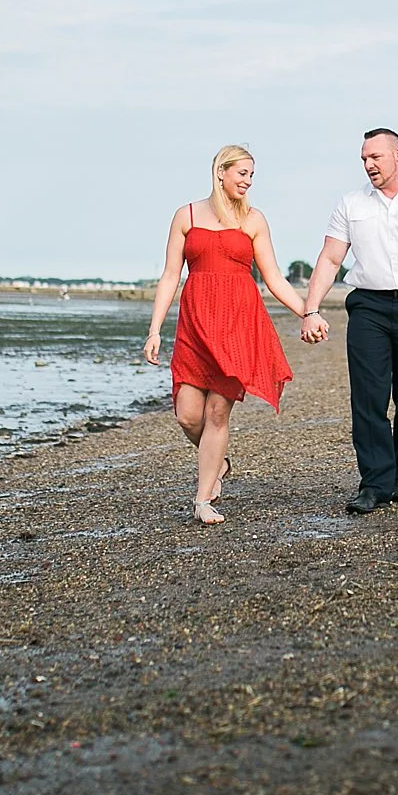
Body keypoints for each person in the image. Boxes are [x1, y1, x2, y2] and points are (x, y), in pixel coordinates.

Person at [298, 129, 398, 515]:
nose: (368, 165)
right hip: (368, 308)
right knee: (368, 397)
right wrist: (311, 310)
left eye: (375, 157)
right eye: (364, 159)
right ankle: (374, 482)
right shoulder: (351, 204)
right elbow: (330, 259)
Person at [144, 145, 308, 524]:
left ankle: (203, 501)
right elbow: (170, 276)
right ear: (221, 172)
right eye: (242, 173)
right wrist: (154, 330)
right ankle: (218, 461)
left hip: (237, 325)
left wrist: (308, 312)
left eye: (251, 175)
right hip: (195, 326)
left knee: (217, 413)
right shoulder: (186, 215)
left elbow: (274, 277)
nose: (248, 181)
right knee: (188, 415)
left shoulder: (253, 220)